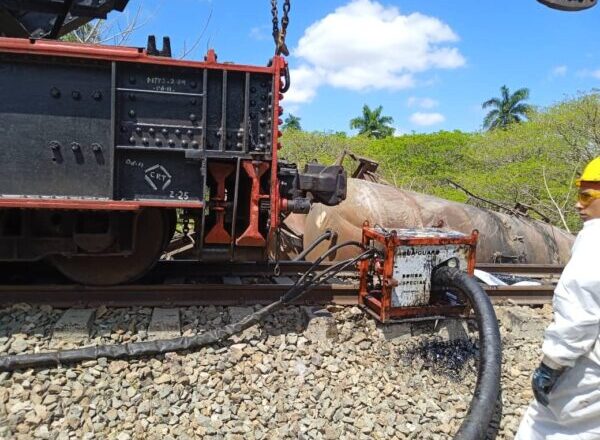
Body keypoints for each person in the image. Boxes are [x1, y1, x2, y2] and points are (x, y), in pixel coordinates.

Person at [515, 156, 600, 439]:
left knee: (544, 425)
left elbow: (579, 312)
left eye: (587, 196)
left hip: (590, 374)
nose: (578, 204)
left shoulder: (594, 240)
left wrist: (551, 365)